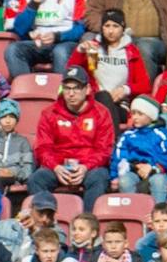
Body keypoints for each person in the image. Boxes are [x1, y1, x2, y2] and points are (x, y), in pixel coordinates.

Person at [30, 65, 114, 209]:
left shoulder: (101, 113)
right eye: (67, 88)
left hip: (89, 166)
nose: (71, 93)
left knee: (99, 177)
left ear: (87, 89)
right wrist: (56, 167)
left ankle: (88, 223)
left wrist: (85, 167)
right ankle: (47, 224)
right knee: (36, 179)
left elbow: (105, 149)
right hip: (59, 165)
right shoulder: (49, 113)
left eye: (76, 88)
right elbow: (43, 148)